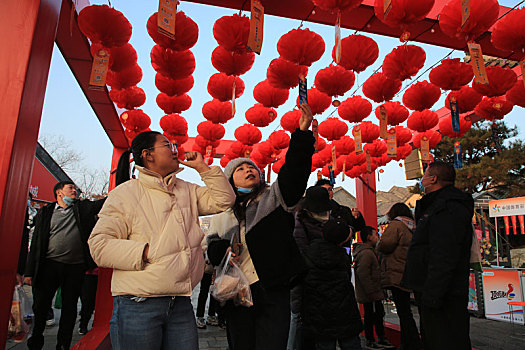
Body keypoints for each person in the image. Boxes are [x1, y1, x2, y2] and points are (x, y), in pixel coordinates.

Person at [88, 131, 235, 350]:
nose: (175, 150)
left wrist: (204, 169)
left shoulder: (186, 189)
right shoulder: (125, 193)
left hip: (181, 302)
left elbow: (224, 200)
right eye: (167, 145)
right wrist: (148, 252)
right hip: (138, 302)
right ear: (148, 155)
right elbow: (99, 246)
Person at [206, 104, 315, 350]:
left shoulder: (274, 197)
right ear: (229, 180)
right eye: (240, 169)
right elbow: (210, 249)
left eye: (251, 167)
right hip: (235, 292)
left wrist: (301, 135)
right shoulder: (222, 210)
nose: (248, 170)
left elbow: (295, 173)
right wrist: (222, 250)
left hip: (272, 288)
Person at [24, 181, 105, 350]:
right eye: (71, 188)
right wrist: (29, 272)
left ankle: (63, 345)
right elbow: (36, 244)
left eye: (75, 188)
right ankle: (35, 342)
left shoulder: (82, 209)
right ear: (59, 193)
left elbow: (103, 203)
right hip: (48, 266)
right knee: (41, 307)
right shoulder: (45, 213)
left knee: (70, 308)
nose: (75, 191)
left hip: (74, 268)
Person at [403, 161, 474, 349]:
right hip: (433, 289)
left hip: (442, 292)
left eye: (425, 175)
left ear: (433, 179)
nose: (422, 179)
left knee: (445, 339)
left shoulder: (447, 207)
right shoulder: (435, 206)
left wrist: (433, 293)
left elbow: (444, 253)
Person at [301, 219, 363, 350]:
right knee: (350, 343)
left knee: (324, 344)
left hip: (318, 312)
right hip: (344, 311)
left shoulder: (310, 252)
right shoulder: (342, 257)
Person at [289, 186, 335, 350]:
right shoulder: (300, 222)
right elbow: (301, 251)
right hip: (306, 278)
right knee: (297, 316)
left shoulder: (330, 221)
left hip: (323, 280)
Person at [377, 203, 422, 350]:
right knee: (408, 311)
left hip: (397, 273)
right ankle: (410, 341)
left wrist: (378, 245)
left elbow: (385, 244)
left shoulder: (396, 225)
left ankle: (411, 342)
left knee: (403, 312)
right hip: (412, 270)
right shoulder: (413, 225)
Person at [353, 227, 395, 350]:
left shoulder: (370, 252)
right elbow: (363, 273)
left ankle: (380, 338)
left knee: (377, 314)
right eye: (375, 234)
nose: (378, 237)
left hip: (374, 292)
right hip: (370, 294)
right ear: (369, 237)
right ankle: (371, 340)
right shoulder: (366, 253)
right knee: (371, 316)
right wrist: (371, 290)